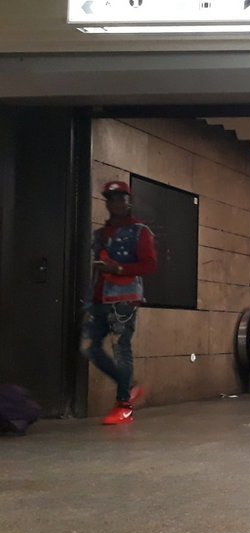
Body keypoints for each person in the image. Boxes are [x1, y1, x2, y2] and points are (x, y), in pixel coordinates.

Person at [85, 180, 158, 425]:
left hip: (123, 300)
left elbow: (149, 265)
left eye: (120, 199)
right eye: (110, 199)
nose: (115, 203)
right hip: (97, 298)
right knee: (87, 346)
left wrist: (118, 268)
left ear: (129, 202)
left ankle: (124, 404)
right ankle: (128, 385)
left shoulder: (140, 231)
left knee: (120, 349)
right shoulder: (99, 234)